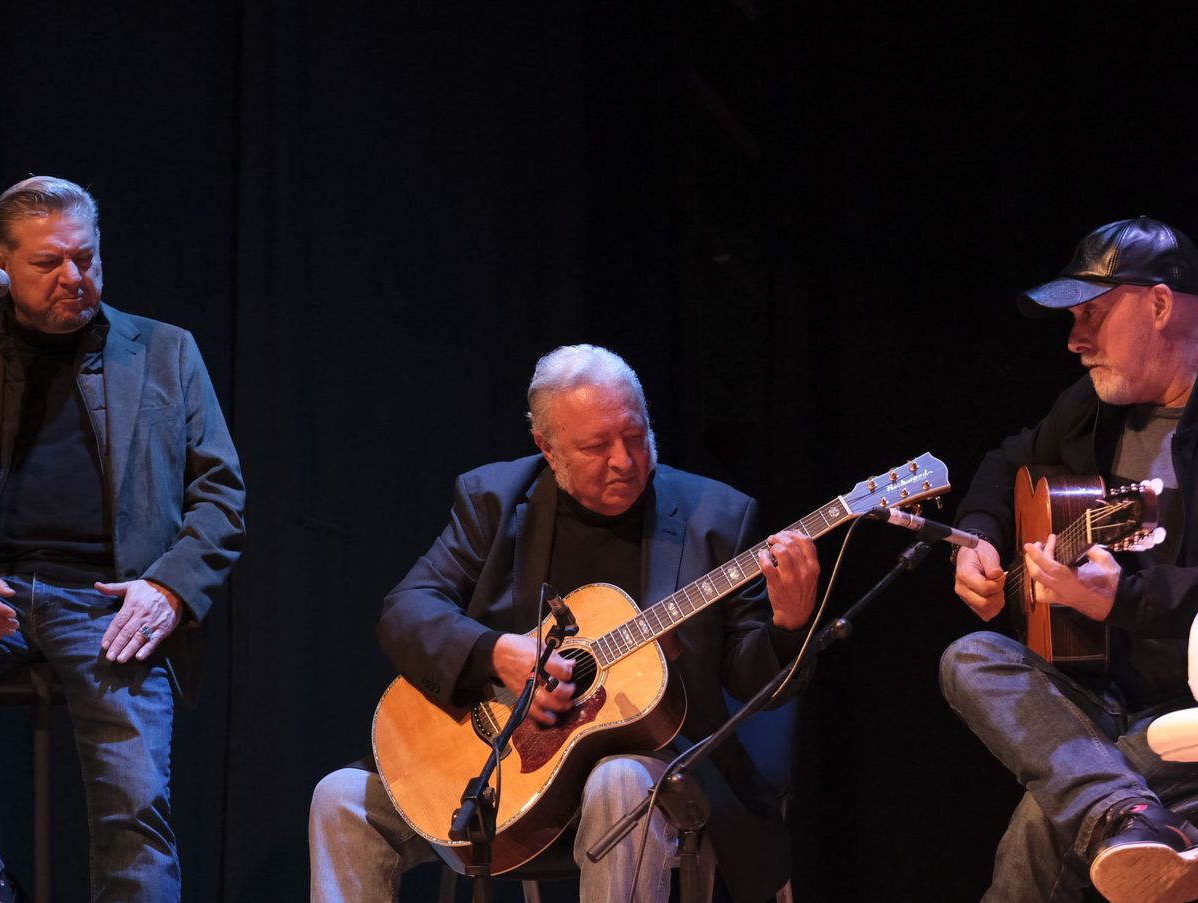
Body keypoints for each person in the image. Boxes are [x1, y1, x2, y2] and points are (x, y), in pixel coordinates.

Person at [309, 344, 819, 902]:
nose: (624, 460)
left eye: (635, 434)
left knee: (618, 782)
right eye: (597, 447)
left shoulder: (715, 518)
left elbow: (752, 682)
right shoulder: (494, 501)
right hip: (507, 771)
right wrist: (496, 652)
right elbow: (406, 610)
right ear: (546, 449)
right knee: (340, 798)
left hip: (654, 774)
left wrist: (789, 625)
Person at [940, 216, 1198, 902]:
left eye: (1092, 315)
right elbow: (1007, 457)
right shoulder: (1095, 410)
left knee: (1044, 825)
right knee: (970, 657)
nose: (1074, 341)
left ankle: (1122, 811)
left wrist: (1122, 598)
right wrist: (979, 533)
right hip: (1105, 699)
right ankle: (1131, 813)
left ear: (1159, 305)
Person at [0, 175, 246, 902]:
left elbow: (221, 495)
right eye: (49, 263)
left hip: (112, 604)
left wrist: (168, 588)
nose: (75, 277)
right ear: (0, 266)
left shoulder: (166, 352)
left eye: (87, 257)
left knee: (135, 808)